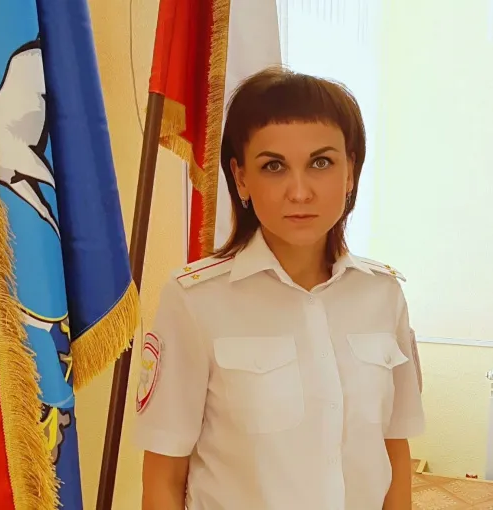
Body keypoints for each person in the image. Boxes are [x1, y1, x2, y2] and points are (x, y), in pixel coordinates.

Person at [134, 67, 424, 510]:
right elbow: (164, 478)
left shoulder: (382, 295)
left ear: (351, 171)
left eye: (321, 163)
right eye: (274, 166)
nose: (299, 192)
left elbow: (394, 451)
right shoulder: (195, 301)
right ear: (241, 178)